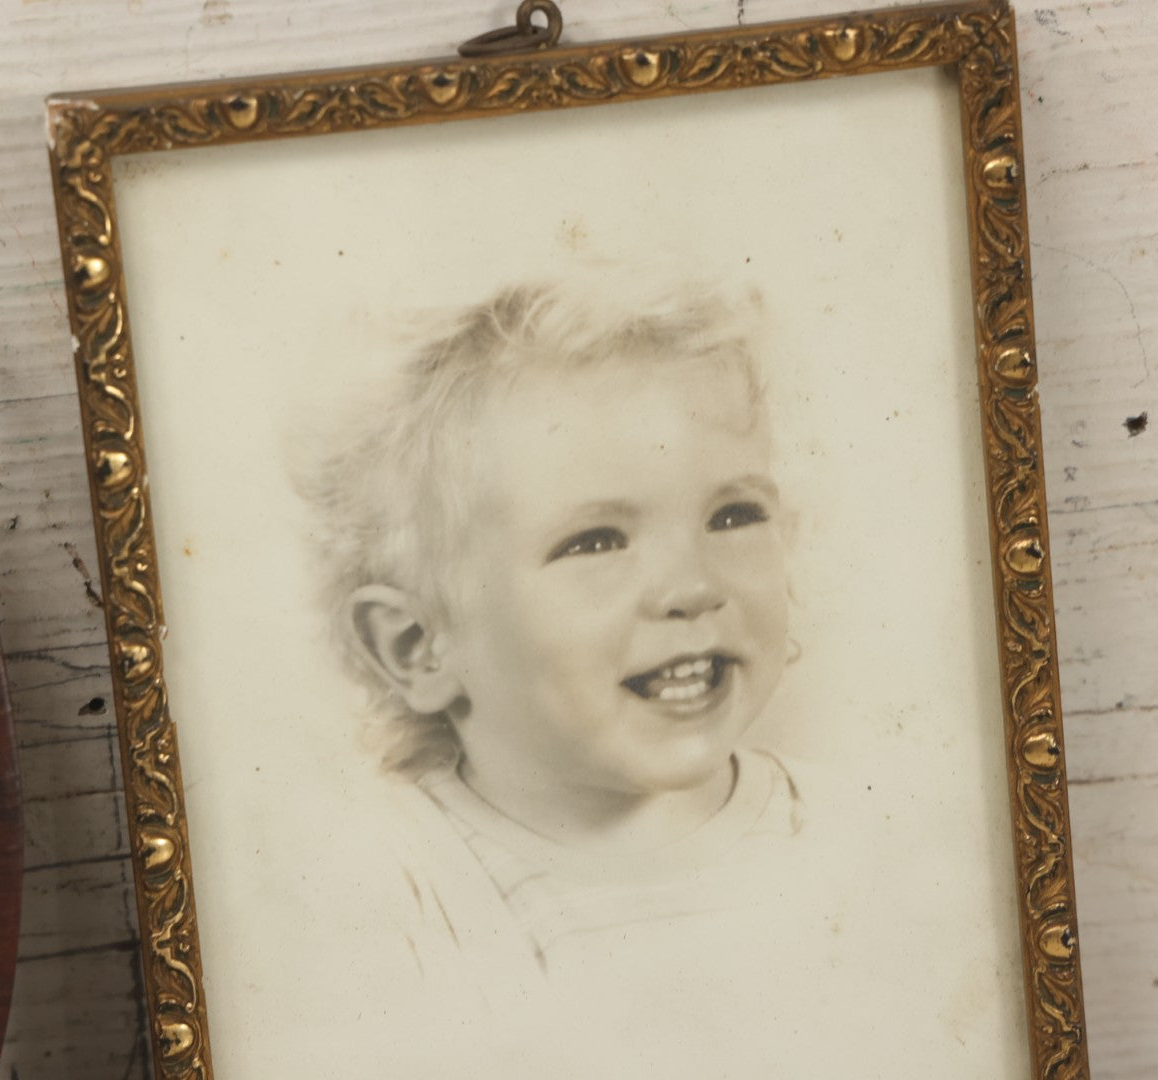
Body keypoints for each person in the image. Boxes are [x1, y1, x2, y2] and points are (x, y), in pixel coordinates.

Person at [287, 274, 828, 1076]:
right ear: (416, 648)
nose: (691, 586)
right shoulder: (393, 895)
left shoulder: (850, 838)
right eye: (597, 540)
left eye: (732, 516)